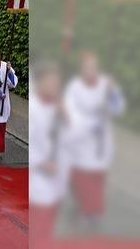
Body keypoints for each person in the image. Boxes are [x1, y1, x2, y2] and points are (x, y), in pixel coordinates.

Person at [60, 51, 125, 228]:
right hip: (81, 139)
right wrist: (89, 123)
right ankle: (84, 206)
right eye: (87, 67)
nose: (90, 70)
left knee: (96, 177)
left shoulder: (107, 84)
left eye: (93, 67)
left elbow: (118, 108)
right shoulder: (75, 87)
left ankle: (92, 211)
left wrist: (112, 96)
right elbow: (71, 112)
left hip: (101, 141)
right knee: (80, 177)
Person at [29, 62, 67, 247]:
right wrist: (43, 163)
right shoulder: (35, 108)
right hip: (41, 175)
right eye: (51, 82)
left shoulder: (58, 106)